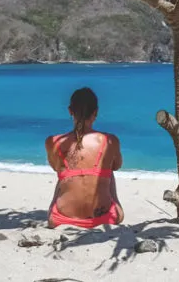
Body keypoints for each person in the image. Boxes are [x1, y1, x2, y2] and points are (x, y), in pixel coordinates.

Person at [45, 87, 125, 228]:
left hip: (61, 219)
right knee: (108, 172)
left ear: (70, 111)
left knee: (63, 175)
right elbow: (117, 166)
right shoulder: (110, 140)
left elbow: (55, 167)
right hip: (105, 217)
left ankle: (54, 208)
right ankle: (113, 204)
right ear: (96, 112)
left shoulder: (54, 142)